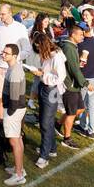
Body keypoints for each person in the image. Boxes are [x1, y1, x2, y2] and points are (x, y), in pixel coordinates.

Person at [30, 32, 66, 169]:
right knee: (45, 120)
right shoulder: (46, 55)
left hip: (52, 90)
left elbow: (60, 77)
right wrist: (41, 71)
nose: (38, 50)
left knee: (45, 123)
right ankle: (51, 148)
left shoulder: (56, 57)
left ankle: (44, 157)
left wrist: (43, 74)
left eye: (39, 47)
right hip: (43, 87)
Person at [0, 43, 28, 184]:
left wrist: (8, 113)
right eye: (3, 52)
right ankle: (18, 168)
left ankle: (19, 175)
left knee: (14, 141)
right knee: (18, 139)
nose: (3, 54)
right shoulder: (12, 67)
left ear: (14, 56)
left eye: (6, 53)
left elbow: (14, 98)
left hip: (14, 110)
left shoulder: (14, 71)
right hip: (16, 109)